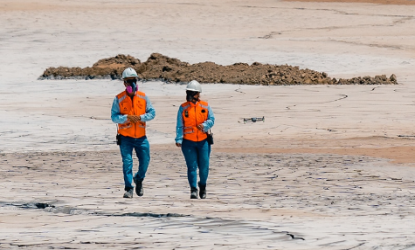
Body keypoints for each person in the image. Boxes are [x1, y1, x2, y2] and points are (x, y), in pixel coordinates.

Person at [111, 67, 156, 198]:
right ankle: (128, 188)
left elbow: (152, 113)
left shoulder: (143, 97)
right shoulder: (118, 99)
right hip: (125, 138)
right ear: (124, 83)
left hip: (141, 137)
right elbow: (114, 117)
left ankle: (139, 178)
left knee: (145, 160)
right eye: (129, 81)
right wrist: (126, 118)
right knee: (127, 162)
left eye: (134, 81)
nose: (132, 84)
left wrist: (141, 117)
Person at [175, 80, 215, 199]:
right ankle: (193, 189)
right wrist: (179, 139)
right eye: (190, 92)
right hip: (188, 142)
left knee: (204, 166)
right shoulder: (183, 108)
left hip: (203, 142)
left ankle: (202, 185)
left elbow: (212, 119)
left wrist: (205, 126)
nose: (192, 95)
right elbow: (179, 124)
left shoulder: (205, 105)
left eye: (194, 93)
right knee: (191, 166)